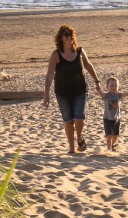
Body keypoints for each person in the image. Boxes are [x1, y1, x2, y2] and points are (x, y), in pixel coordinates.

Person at [43, 25, 101, 154]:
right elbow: (49, 75)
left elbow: (88, 65)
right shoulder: (56, 54)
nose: (69, 37)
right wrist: (46, 95)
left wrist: (97, 81)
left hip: (80, 90)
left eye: (70, 34)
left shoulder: (79, 51)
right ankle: (71, 148)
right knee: (68, 121)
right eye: (66, 35)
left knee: (79, 118)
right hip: (62, 93)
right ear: (61, 38)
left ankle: (79, 137)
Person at [95, 76, 128, 152]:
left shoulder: (119, 95)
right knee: (109, 135)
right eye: (111, 85)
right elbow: (101, 94)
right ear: (107, 87)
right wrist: (98, 89)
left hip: (117, 119)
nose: (114, 87)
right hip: (107, 119)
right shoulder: (106, 95)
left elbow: (127, 93)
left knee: (115, 136)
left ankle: (112, 145)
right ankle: (108, 149)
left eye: (116, 85)